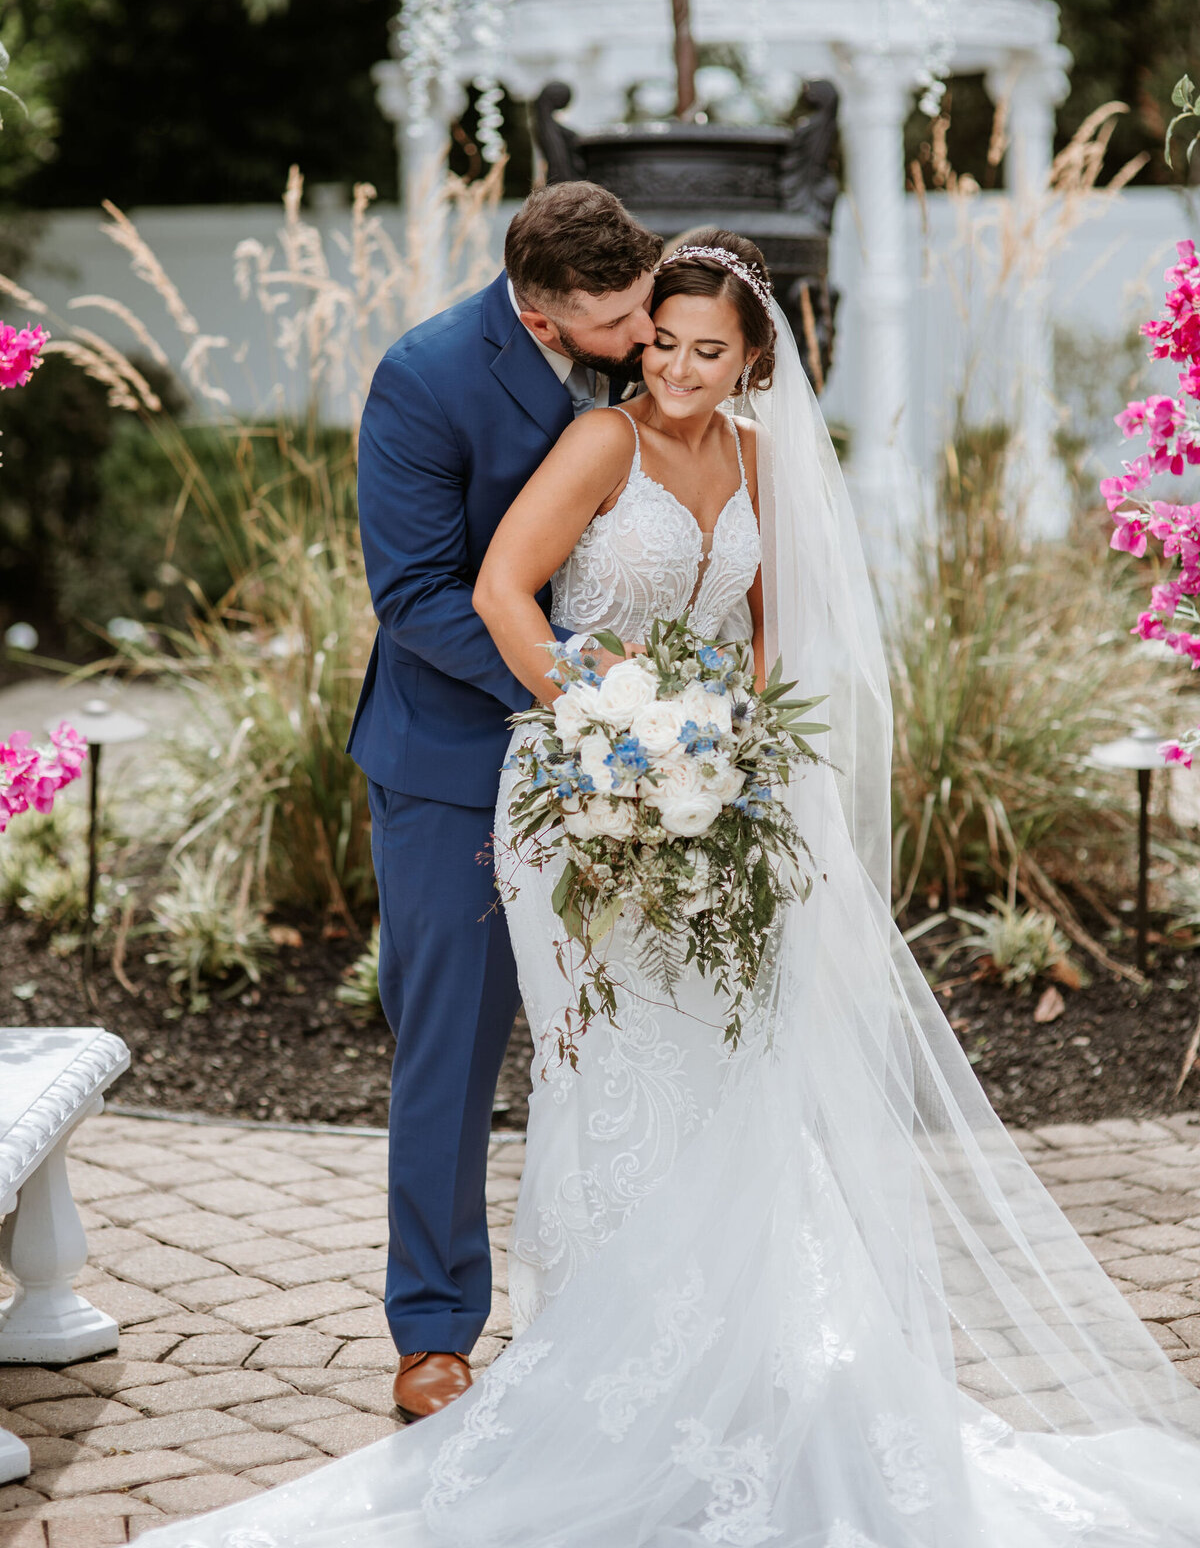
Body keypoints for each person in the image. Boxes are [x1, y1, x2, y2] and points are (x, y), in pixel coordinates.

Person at [143, 231, 1200, 1548]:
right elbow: (481, 590)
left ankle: (734, 1346)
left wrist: (734, 754)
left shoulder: (759, 460)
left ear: (754, 357)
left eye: (705, 347)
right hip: (576, 784)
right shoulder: (582, 434)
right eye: (658, 342)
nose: (676, 366)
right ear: (598, 323)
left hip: (715, 798)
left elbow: (759, 636)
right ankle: (536, 1346)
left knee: (730, 1062)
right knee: (576, 1067)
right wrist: (611, 727)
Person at [342, 181, 660, 1421]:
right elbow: (415, 593)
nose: (645, 335)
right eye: (621, 316)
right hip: (453, 766)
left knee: (631, 1043)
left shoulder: (665, 357)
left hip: (637, 768)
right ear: (542, 313)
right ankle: (433, 1330)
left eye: (647, 304)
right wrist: (580, 685)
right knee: (452, 1056)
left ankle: (631, 1306)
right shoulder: (424, 379)